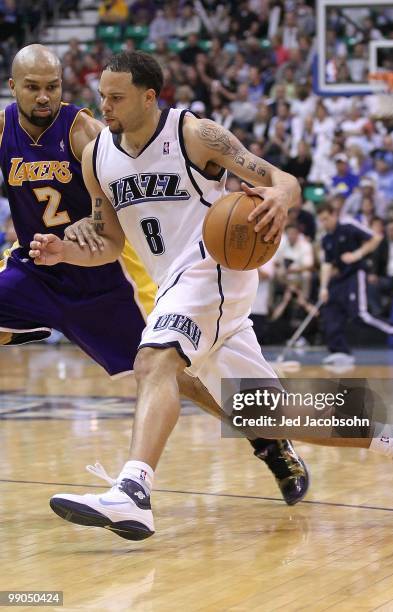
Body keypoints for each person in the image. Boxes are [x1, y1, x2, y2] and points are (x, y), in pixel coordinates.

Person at [31, 52, 393, 540]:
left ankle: (134, 491)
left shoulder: (194, 134)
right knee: (264, 412)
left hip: (214, 267)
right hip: (175, 285)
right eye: (102, 95)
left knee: (154, 362)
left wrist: (282, 199)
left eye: (117, 97)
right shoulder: (97, 156)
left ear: (149, 96)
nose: (106, 106)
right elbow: (109, 242)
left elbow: (282, 180)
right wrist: (65, 252)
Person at [0, 44, 309, 505]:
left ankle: (267, 440)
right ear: (13, 88)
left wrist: (93, 219)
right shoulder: (4, 128)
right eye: (33, 88)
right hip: (43, 265)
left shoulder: (86, 132)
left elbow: (125, 176)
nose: (44, 97)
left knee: (173, 373)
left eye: (53, 87)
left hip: (106, 276)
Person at [316, 203, 393, 366]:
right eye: (321, 221)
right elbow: (326, 265)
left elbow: (376, 238)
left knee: (360, 314)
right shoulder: (326, 239)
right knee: (331, 310)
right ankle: (340, 351)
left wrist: (356, 254)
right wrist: (323, 288)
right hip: (339, 279)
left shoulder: (348, 226)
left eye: (326, 219)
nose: (324, 223)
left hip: (355, 274)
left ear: (334, 215)